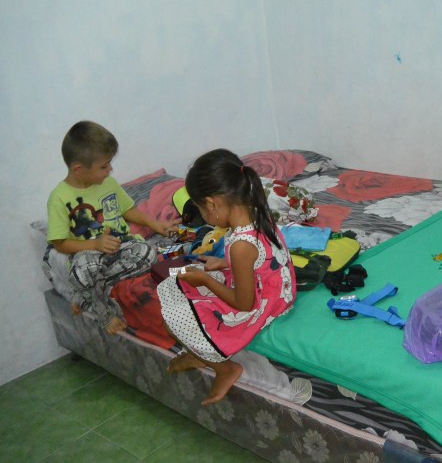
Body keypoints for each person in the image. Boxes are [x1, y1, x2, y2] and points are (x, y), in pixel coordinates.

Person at [157, 149, 296, 405]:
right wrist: (224, 263)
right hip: (278, 289)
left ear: (211, 204)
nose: (203, 216)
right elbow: (262, 258)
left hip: (262, 304)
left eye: (200, 208)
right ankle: (198, 353)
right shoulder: (256, 210)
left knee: (174, 318)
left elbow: (244, 304)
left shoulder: (241, 245)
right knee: (177, 281)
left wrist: (207, 280)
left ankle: (225, 368)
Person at [47, 121, 180, 334]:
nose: (110, 170)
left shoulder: (108, 184)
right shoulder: (59, 198)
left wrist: (155, 224)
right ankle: (105, 314)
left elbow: (128, 210)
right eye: (104, 166)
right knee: (84, 269)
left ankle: (88, 291)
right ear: (78, 169)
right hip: (89, 254)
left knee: (147, 253)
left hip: (121, 246)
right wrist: (95, 244)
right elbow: (59, 244)